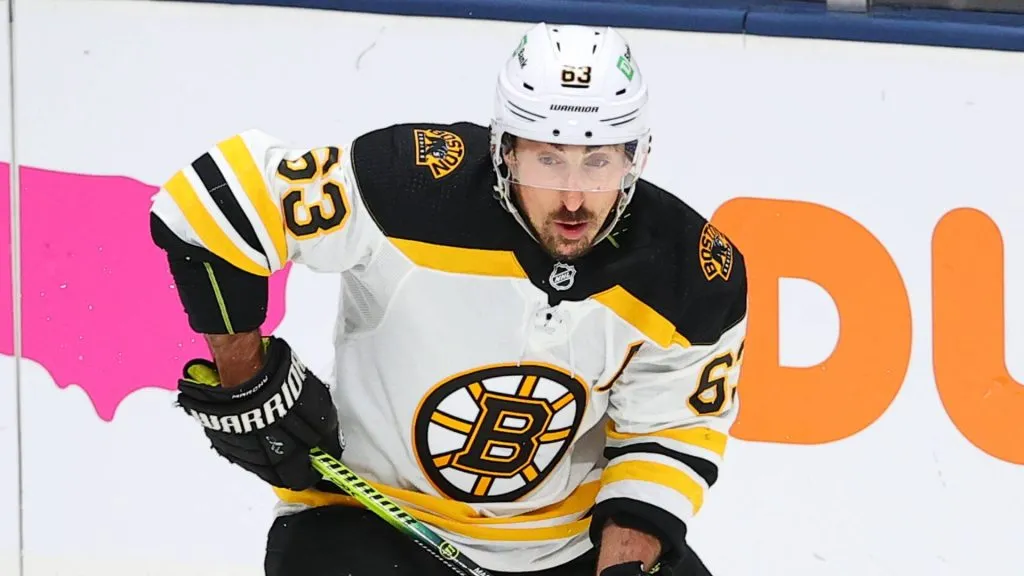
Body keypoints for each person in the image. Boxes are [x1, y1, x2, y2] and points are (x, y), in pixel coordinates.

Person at [150, 21, 747, 576]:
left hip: (567, 545)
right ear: (505, 149)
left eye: (598, 163)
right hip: (368, 520)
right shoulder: (408, 189)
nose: (573, 198)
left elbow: (670, 430)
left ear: (635, 157)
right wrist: (245, 378)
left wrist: (623, 564)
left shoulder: (692, 275)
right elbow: (211, 199)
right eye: (547, 160)